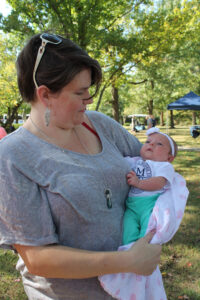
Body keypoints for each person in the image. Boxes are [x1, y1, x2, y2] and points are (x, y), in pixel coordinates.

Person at [0, 33, 162, 300]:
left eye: (90, 89)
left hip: (134, 289)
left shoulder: (99, 124)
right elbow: (37, 258)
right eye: (80, 92)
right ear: (45, 95)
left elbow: (151, 165)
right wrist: (127, 261)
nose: (89, 98)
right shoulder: (12, 157)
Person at [99, 127, 189, 300]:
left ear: (170, 157)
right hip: (131, 207)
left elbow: (158, 183)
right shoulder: (134, 161)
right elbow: (117, 164)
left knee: (145, 236)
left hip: (149, 205)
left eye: (159, 144)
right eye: (148, 141)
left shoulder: (164, 167)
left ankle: (142, 267)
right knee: (128, 234)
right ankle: (128, 265)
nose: (151, 144)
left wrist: (139, 182)